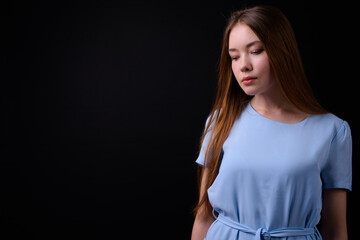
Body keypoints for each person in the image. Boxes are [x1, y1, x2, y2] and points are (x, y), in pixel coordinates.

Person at [191, 5, 352, 240]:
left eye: (255, 51)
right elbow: (204, 216)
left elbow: (336, 230)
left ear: (282, 51)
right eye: (234, 57)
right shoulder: (221, 120)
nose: (243, 65)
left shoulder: (332, 131)